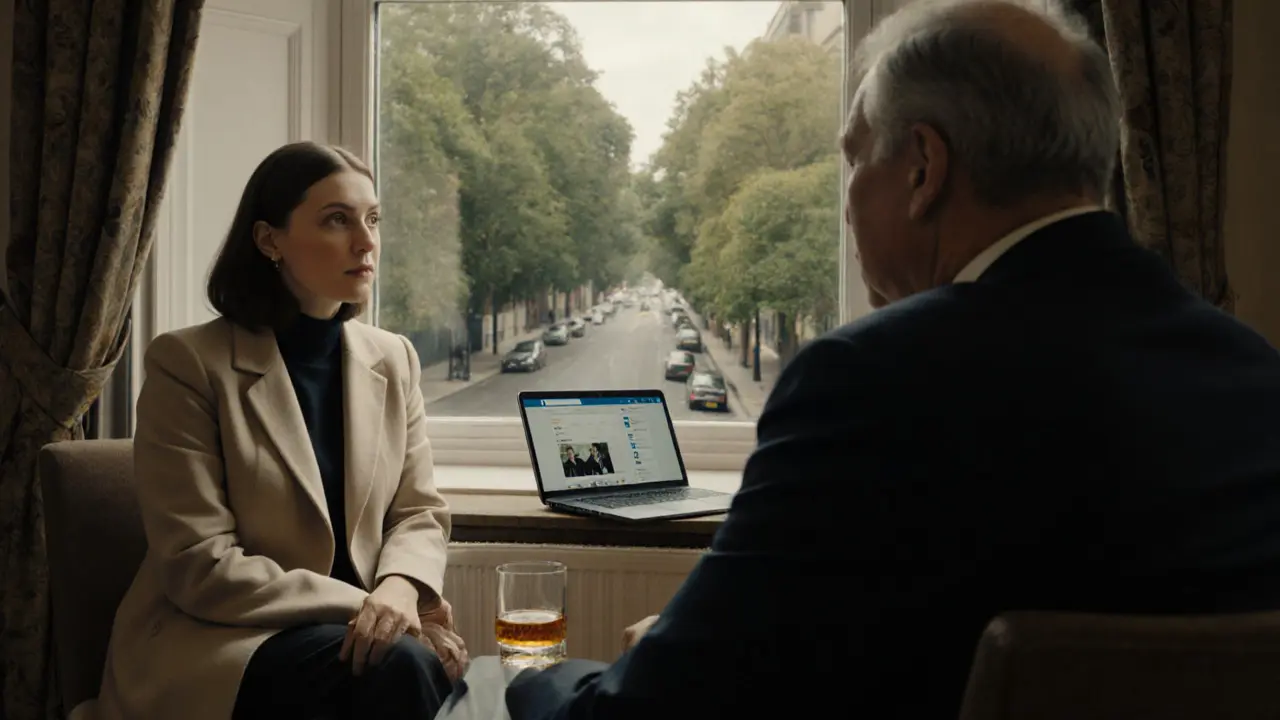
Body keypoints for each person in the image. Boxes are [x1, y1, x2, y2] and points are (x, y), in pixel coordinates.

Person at [506, 1, 1280, 718]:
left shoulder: (870, 382)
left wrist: (534, 681)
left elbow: (650, 713)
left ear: (922, 169)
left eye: (852, 161)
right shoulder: (1253, 370)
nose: (847, 197)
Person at [90, 142, 467, 720]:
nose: (366, 241)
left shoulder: (395, 358)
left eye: (372, 219)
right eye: (337, 220)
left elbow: (417, 512)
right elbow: (202, 565)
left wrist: (400, 588)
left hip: (358, 634)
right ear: (269, 240)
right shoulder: (186, 364)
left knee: (417, 666)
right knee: (403, 666)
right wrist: (373, 608)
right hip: (224, 640)